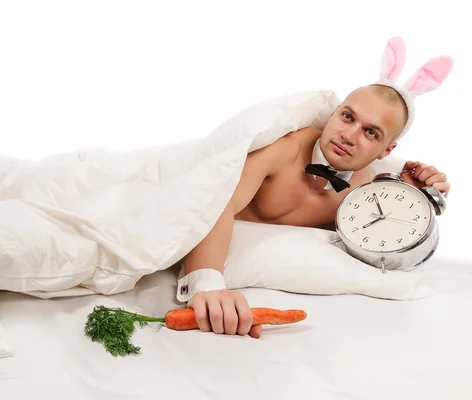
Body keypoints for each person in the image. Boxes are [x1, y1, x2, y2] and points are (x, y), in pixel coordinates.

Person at [179, 83, 451, 339]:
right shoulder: (283, 148)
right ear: (333, 114)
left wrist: (410, 197)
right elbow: (216, 201)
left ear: (386, 150)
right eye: (347, 117)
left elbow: (380, 247)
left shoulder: (363, 193)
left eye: (371, 133)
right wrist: (207, 285)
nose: (348, 135)